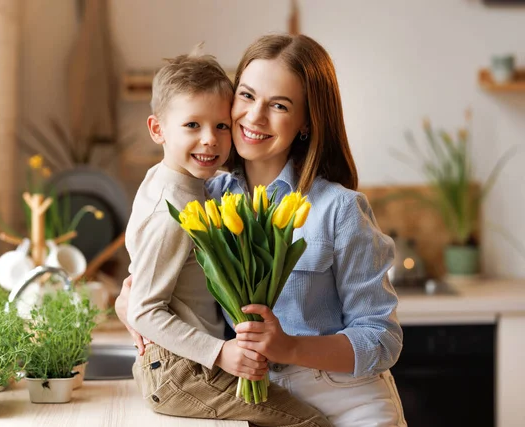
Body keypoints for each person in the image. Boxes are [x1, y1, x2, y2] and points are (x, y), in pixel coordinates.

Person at [117, 34, 406, 427]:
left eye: (280, 105)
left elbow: (382, 340)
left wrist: (288, 347)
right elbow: (162, 286)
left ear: (305, 122)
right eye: (248, 96)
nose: (254, 117)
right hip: (255, 405)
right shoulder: (207, 199)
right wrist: (129, 302)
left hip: (348, 402)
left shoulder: (338, 209)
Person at [124, 48, 332, 427]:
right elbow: (143, 308)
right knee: (310, 422)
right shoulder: (173, 209)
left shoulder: (187, 185)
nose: (210, 140)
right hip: (183, 370)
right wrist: (221, 352)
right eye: (192, 125)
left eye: (221, 126)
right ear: (158, 130)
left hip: (185, 365)